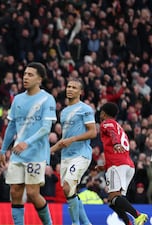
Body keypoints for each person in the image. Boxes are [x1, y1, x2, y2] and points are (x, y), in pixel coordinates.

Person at [0, 62, 56, 225]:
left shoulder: (47, 99)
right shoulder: (17, 99)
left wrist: (26, 143)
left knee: (32, 192)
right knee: (15, 191)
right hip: (18, 155)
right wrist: (3, 149)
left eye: (30, 75)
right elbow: (11, 126)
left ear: (40, 79)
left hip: (36, 153)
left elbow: (46, 129)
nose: (25, 77)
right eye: (25, 74)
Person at [50, 78, 96, 225]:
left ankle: (75, 223)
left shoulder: (86, 109)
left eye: (74, 88)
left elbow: (93, 132)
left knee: (68, 186)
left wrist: (74, 139)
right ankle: (86, 223)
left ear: (80, 92)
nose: (70, 89)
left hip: (81, 154)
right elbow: (65, 139)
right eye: (68, 86)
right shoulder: (63, 112)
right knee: (69, 191)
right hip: (66, 156)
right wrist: (49, 151)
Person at [97, 102, 148, 225]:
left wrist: (115, 143)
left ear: (103, 113)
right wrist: (104, 166)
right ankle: (128, 223)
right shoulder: (120, 128)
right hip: (127, 165)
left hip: (117, 165)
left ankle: (138, 215)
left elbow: (112, 133)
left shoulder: (107, 123)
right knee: (113, 200)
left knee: (114, 197)